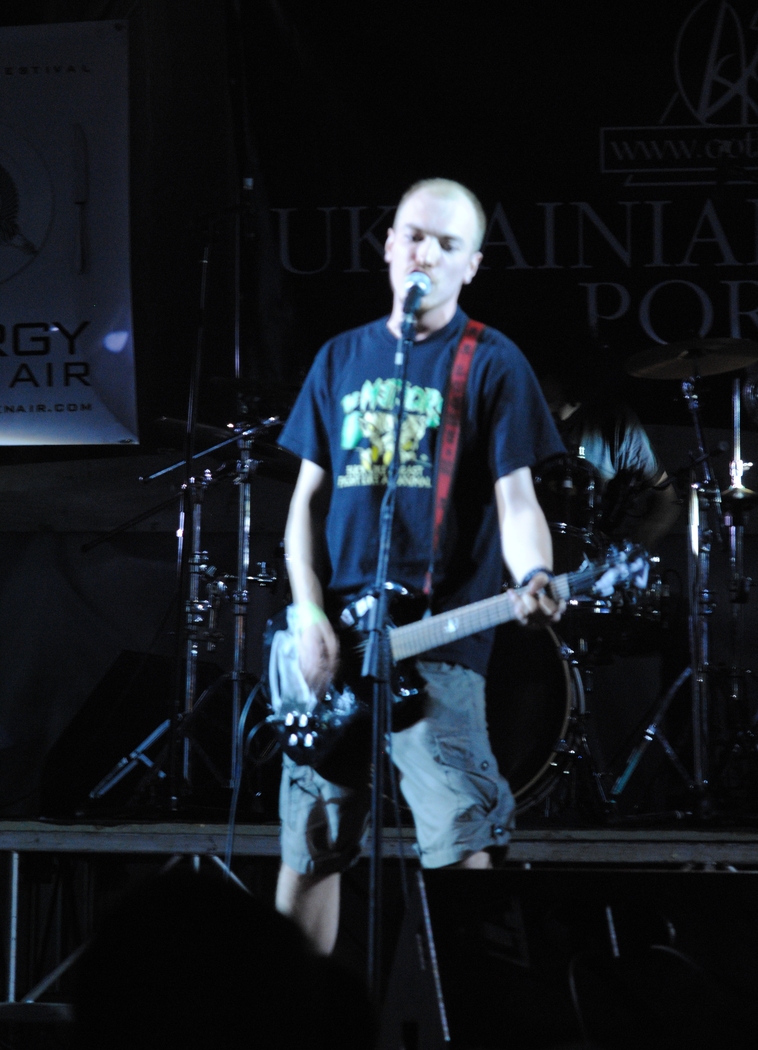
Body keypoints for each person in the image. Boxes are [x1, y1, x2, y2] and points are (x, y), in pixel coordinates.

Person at [273, 178, 565, 954]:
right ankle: (291, 1008)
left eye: (447, 244)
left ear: (471, 265)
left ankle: (472, 1005)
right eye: (413, 236)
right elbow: (304, 505)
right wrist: (308, 612)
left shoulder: (492, 361)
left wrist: (535, 575)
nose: (425, 253)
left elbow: (517, 500)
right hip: (334, 645)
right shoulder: (340, 357)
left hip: (437, 643)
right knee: (311, 848)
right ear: (389, 246)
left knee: (461, 841)